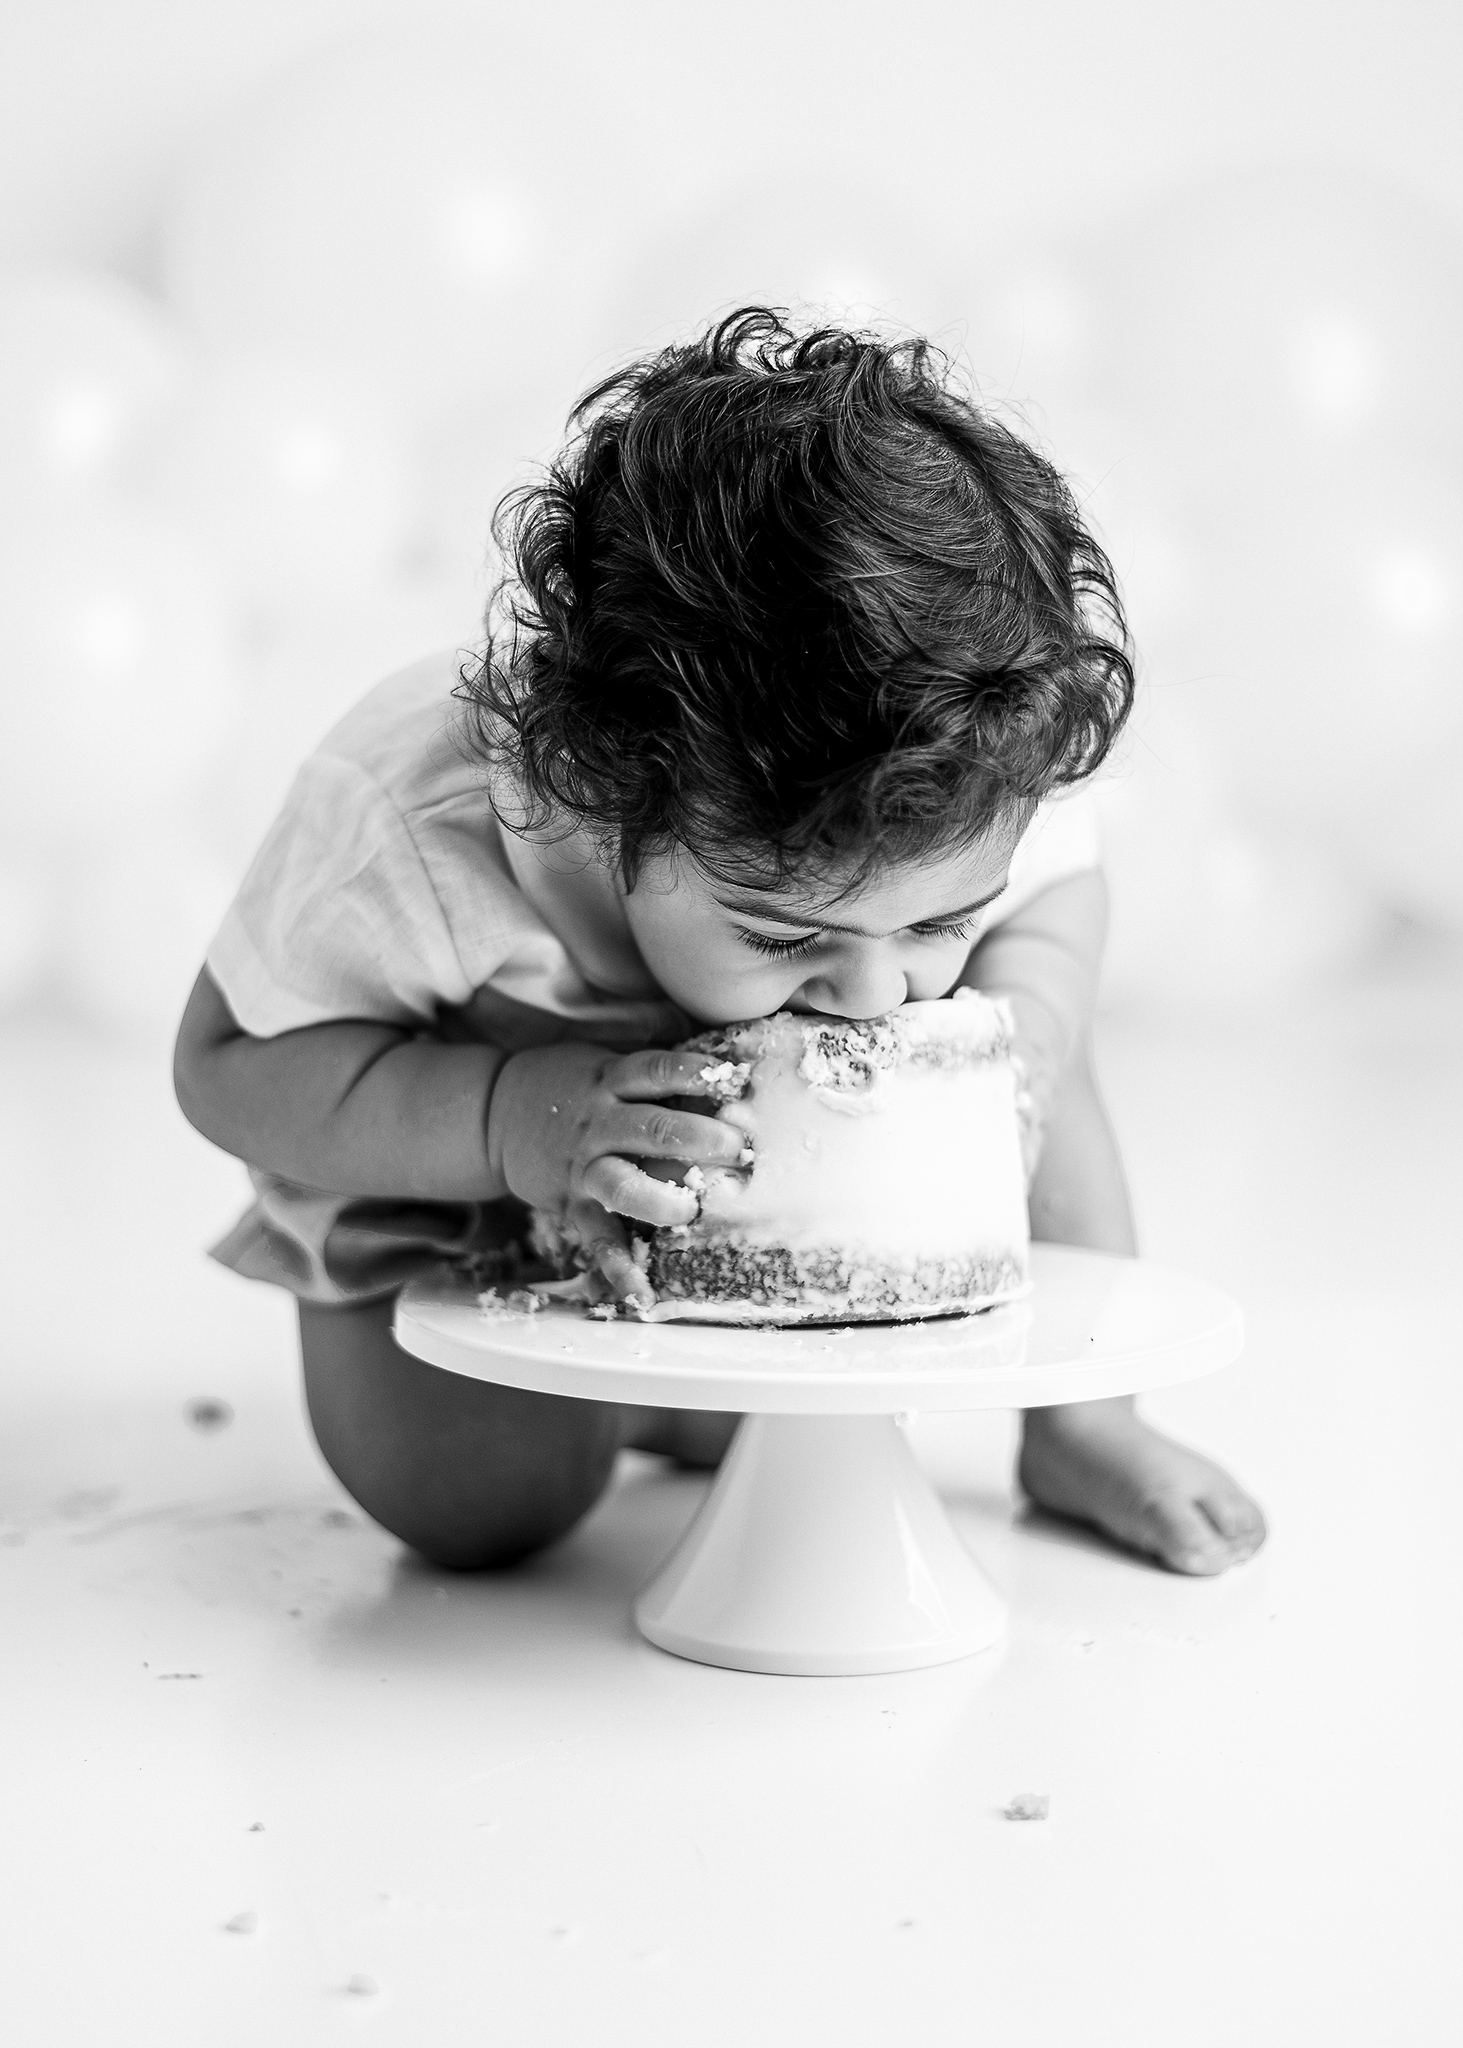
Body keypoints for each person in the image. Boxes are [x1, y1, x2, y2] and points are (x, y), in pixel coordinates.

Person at [174, 306, 1266, 1580]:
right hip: (460, 1184)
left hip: (768, 1185)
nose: (869, 988)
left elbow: (1064, 895)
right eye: (782, 930)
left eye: (933, 919)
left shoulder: (956, 750)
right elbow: (224, 1065)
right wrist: (510, 1121)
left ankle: (1083, 1423)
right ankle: (621, 1395)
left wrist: (1020, 1008)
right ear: (593, 787)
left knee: (1022, 1038)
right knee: (471, 1508)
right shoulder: (413, 827)